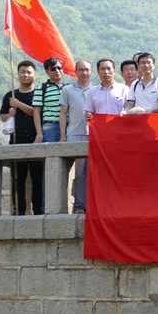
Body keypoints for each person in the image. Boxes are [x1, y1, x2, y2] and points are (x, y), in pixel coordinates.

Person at [0, 60, 42, 215]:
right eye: (23, 72)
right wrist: (10, 114)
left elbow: (36, 113)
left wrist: (18, 104)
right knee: (18, 179)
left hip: (37, 141)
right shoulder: (10, 95)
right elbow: (3, 117)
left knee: (38, 179)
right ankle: (18, 210)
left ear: (35, 74)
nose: (26, 75)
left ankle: (38, 211)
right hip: (16, 142)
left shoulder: (39, 94)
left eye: (29, 72)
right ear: (18, 74)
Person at [59, 60, 93, 212]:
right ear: (76, 71)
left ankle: (90, 204)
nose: (84, 73)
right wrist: (62, 135)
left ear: (91, 71)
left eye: (87, 70)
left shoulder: (96, 90)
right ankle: (79, 205)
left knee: (90, 172)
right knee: (79, 172)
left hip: (92, 135)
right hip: (74, 134)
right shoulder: (67, 90)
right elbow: (63, 113)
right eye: (81, 70)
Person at [33, 57, 66, 143]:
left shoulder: (68, 88)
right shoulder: (41, 88)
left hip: (68, 125)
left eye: (59, 68)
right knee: (52, 150)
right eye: (53, 69)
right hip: (50, 126)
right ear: (47, 71)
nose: (57, 71)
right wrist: (39, 133)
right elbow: (36, 111)